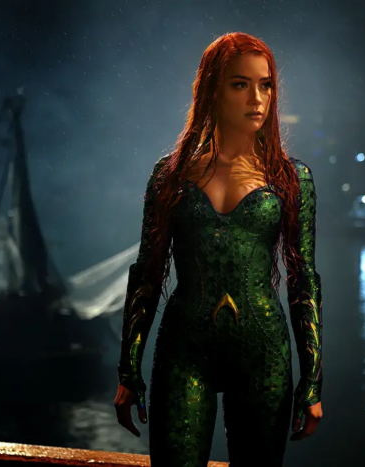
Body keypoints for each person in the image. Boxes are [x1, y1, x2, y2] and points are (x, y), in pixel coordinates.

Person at [114, 32, 323, 467]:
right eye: (240, 84)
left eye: (265, 85)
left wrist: (313, 380)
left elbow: (303, 281)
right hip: (184, 351)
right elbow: (148, 272)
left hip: (263, 354)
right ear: (212, 89)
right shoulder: (170, 176)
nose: (257, 99)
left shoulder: (291, 178)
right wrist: (129, 368)